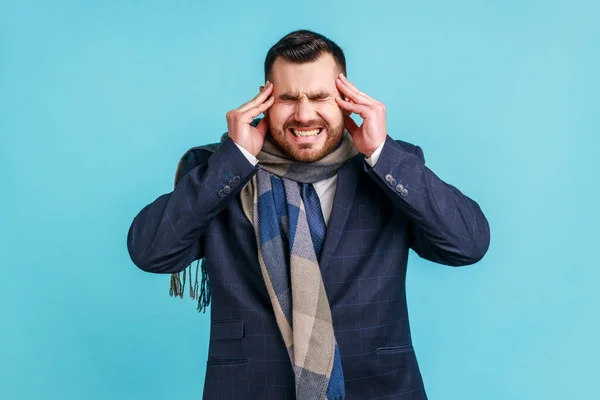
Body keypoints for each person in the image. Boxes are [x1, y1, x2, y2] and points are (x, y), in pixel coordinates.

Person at [127, 29, 490, 400]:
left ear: (346, 100)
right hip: (254, 389)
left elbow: (469, 244)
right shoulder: (221, 170)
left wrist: (382, 153)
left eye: (320, 97)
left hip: (377, 386)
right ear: (264, 100)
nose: (304, 115)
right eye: (287, 98)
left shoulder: (390, 168)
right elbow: (151, 252)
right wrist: (233, 162)